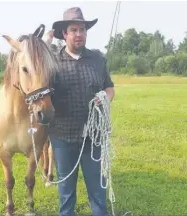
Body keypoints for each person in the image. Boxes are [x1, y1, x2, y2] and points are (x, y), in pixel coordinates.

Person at [47, 7, 115, 216]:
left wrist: (105, 98)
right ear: (64, 34)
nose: (79, 34)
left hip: (93, 137)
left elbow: (109, 87)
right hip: (62, 137)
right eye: (74, 30)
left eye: (82, 30)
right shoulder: (52, 63)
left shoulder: (97, 59)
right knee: (66, 193)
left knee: (98, 189)